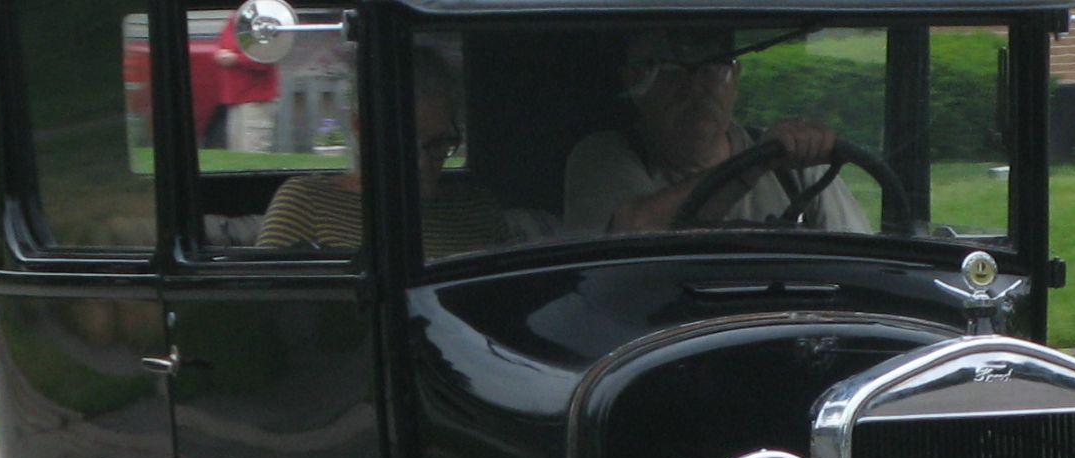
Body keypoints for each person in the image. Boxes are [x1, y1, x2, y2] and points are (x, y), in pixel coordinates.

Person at [563, 29, 870, 235]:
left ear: (735, 76)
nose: (694, 88)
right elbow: (631, 235)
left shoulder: (796, 171)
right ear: (633, 82)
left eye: (712, 67)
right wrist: (755, 164)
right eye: (669, 69)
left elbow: (861, 262)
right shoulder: (606, 156)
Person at [258, 46, 508, 256]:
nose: (421, 163)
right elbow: (273, 306)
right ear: (362, 130)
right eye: (403, 144)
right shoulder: (306, 203)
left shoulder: (478, 209)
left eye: (438, 143)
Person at [215, 12, 281, 153]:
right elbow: (223, 46)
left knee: (254, 153)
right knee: (237, 154)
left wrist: (236, 59)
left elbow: (265, 58)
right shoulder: (234, 19)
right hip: (235, 99)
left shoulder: (263, 19)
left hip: (256, 100)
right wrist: (221, 55)